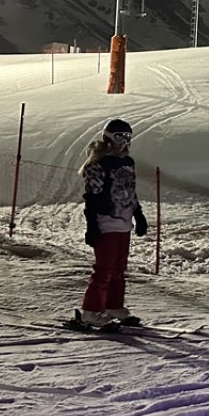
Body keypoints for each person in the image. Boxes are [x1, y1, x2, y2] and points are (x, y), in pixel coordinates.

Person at [76, 118, 148, 327]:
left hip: (124, 221)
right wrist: (92, 225)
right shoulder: (98, 164)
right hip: (106, 222)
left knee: (118, 267)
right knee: (104, 268)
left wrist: (139, 214)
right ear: (108, 137)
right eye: (119, 137)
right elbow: (92, 196)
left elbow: (130, 191)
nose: (123, 142)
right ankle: (91, 310)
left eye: (127, 137)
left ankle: (113, 305)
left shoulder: (128, 162)